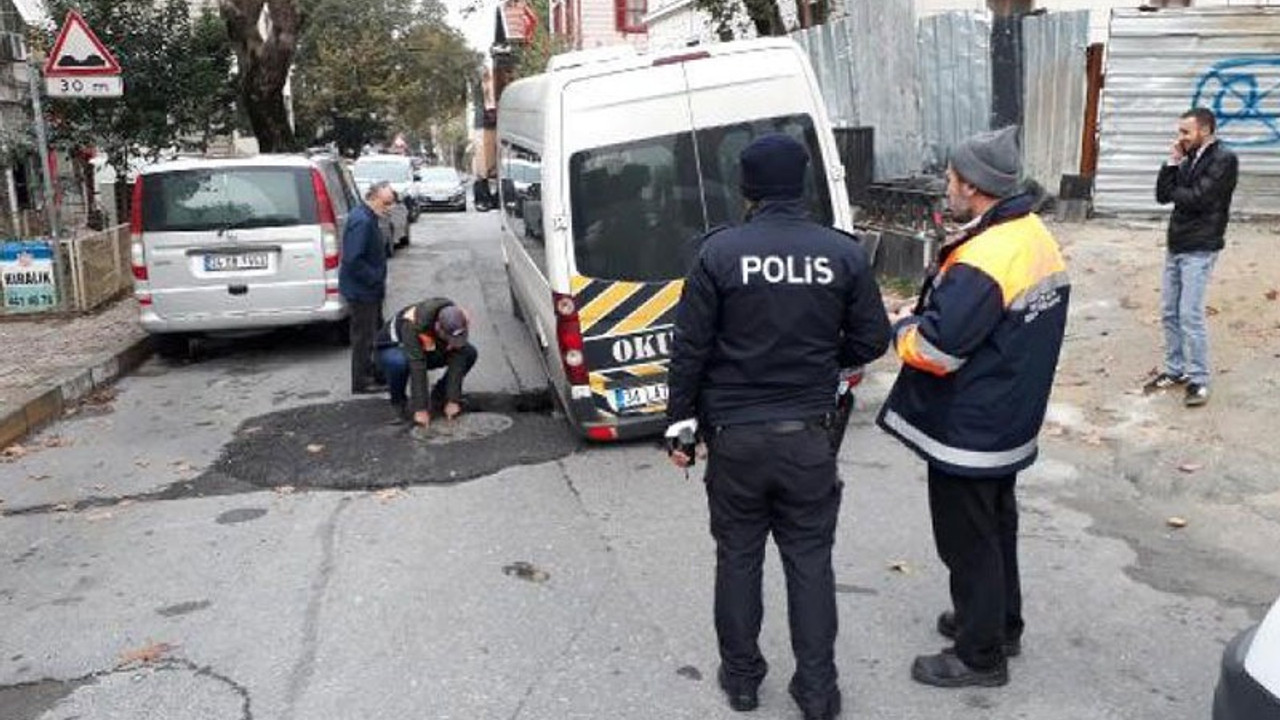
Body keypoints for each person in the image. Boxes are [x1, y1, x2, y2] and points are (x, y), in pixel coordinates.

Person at [665, 134, 891, 720]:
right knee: (810, 562)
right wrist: (822, 355)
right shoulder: (840, 253)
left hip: (735, 440)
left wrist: (680, 427)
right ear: (803, 183)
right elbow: (872, 339)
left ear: (747, 188)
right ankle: (818, 693)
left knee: (738, 558)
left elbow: (690, 349)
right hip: (807, 438)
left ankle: (742, 682)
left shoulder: (718, 254)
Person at [876, 126, 1070, 688]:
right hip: (1009, 415)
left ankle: (980, 656)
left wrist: (899, 329)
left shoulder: (986, 255)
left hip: (971, 427)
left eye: (953, 178)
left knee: (968, 538)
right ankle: (998, 623)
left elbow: (937, 348)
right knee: (996, 526)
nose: (947, 185)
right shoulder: (1031, 234)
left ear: (974, 186)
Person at [1148, 107, 1238, 407]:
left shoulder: (1224, 159)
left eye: (1186, 132)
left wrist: (1178, 189)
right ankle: (1176, 371)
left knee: (1190, 314)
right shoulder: (1185, 156)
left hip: (1201, 246)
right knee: (1169, 311)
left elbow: (1199, 199)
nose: (1181, 138)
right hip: (1177, 243)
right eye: (1180, 132)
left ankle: (1198, 379)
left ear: (1205, 130)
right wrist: (1171, 164)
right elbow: (1162, 195)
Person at [374, 298, 478, 427]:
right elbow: (417, 365)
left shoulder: (457, 318)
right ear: (438, 327)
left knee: (468, 353)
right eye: (449, 338)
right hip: (393, 348)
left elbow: (458, 354)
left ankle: (440, 394)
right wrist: (421, 409)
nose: (452, 342)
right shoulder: (412, 324)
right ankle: (398, 403)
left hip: (430, 347)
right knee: (399, 362)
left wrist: (453, 399)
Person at [340, 181, 395, 395]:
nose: (389, 208)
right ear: (373, 198)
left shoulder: (367, 217)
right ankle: (362, 381)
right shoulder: (362, 221)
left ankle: (374, 373)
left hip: (367, 289)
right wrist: (374, 278)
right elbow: (353, 259)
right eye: (386, 203)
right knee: (364, 337)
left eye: (391, 203)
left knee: (374, 333)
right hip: (362, 291)